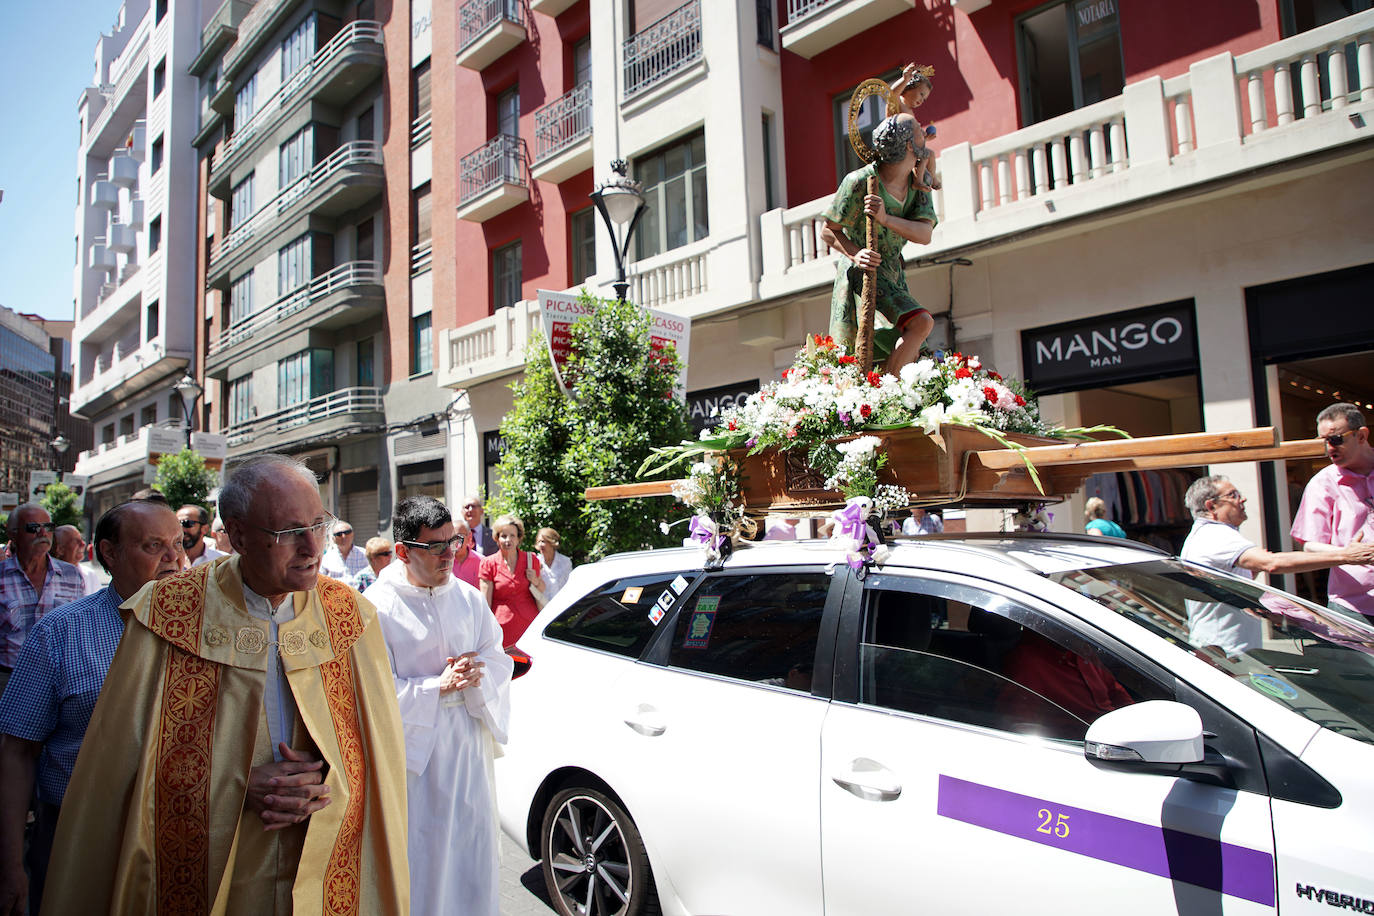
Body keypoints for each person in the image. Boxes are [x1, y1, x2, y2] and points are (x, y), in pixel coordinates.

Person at [42, 454, 410, 914]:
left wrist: (326, 779)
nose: (311, 547)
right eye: (286, 532)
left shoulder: (350, 616)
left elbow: (378, 761)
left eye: (318, 525)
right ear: (236, 535)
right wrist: (236, 785)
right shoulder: (167, 615)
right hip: (218, 873)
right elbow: (117, 775)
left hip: (317, 856)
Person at [0, 500, 182, 914]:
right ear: (109, 553)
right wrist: (11, 864)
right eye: (154, 546)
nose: (173, 558)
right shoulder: (61, 632)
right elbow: (16, 751)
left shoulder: (213, 630)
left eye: (176, 543)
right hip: (77, 834)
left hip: (179, 835)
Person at [365, 496, 512, 916]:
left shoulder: (467, 598)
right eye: (436, 546)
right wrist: (435, 687)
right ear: (402, 551)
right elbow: (371, 691)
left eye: (454, 542)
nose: (450, 554)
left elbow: (497, 656)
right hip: (416, 760)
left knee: (472, 849)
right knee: (425, 858)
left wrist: (477, 669)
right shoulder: (378, 607)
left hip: (467, 747)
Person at [1180, 475, 1374, 654]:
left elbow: (1247, 573)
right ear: (1211, 506)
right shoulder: (1215, 535)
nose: (1243, 499)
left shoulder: (1210, 535)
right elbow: (1273, 563)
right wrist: (1347, 556)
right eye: (1233, 495)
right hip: (1224, 650)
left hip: (1226, 648)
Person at [821, 113, 937, 373]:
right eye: (919, 130)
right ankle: (887, 388)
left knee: (912, 342)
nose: (926, 133)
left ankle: (884, 384)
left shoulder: (918, 183)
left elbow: (925, 233)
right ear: (909, 144)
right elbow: (829, 231)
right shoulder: (859, 182)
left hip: (893, 271)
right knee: (919, 324)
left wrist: (885, 219)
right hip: (864, 271)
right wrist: (855, 254)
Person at [1291, 403, 1374, 623]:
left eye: (1335, 439)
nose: (1329, 448)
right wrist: (1349, 553)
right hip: (1354, 607)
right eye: (1323, 441)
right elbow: (1309, 545)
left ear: (1362, 436)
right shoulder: (1322, 484)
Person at [0, 506, 84, 696]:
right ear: (12, 532)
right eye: (32, 527)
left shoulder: (71, 575)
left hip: (57, 683)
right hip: (8, 681)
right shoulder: (1, 576)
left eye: (48, 526)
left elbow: (77, 629)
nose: (43, 533)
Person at [479, 514, 545, 647]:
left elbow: (541, 589)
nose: (508, 540)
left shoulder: (531, 559)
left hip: (529, 626)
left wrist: (535, 580)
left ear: (519, 538)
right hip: (501, 630)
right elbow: (485, 602)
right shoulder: (488, 563)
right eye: (503, 536)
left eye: (512, 535)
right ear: (497, 538)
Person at [887, 63, 940, 191]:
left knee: (930, 154)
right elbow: (892, 94)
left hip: (910, 146)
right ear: (908, 88)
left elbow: (913, 135)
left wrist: (925, 138)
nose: (922, 100)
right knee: (926, 154)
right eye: (921, 94)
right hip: (897, 145)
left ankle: (932, 177)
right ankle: (919, 180)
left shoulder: (909, 111)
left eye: (925, 99)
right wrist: (904, 79)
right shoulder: (898, 103)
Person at [51, 525, 105, 595]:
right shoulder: (49, 576)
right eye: (76, 541)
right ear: (60, 549)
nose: (83, 544)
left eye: (81, 539)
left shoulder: (89, 574)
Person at [178, 503, 227, 568]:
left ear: (204, 529)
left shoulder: (222, 561)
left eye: (187, 523)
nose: (181, 529)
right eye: (177, 524)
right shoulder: (168, 561)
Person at [533, 527, 573, 600]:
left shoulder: (565, 562)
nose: (541, 545)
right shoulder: (535, 562)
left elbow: (570, 587)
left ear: (552, 543)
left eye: (544, 541)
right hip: (542, 607)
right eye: (539, 542)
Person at [451, 520, 482, 588]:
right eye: (451, 537)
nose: (455, 541)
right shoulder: (442, 562)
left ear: (469, 536)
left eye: (459, 537)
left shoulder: (482, 562)